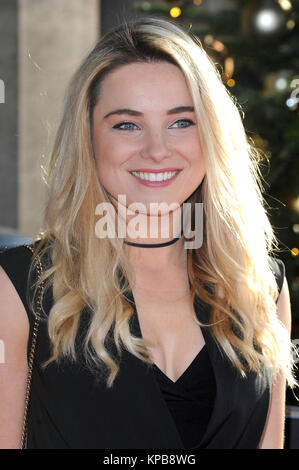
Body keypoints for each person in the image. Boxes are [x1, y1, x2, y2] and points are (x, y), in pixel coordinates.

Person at [0, 16, 297, 450]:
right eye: (126, 124)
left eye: (181, 122)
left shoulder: (260, 286)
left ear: (212, 135)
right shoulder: (21, 288)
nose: (157, 150)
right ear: (89, 140)